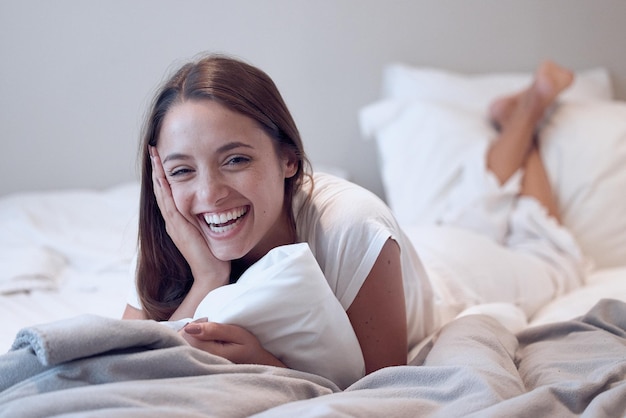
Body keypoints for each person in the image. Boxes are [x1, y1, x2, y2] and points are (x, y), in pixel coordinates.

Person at [122, 55, 585, 375]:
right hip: (416, 246)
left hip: (457, 277)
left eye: (236, 159)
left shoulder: (352, 225)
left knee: (548, 252)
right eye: (182, 170)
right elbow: (125, 361)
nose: (209, 194)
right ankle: (516, 119)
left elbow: (384, 392)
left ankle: (530, 118)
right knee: (470, 212)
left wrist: (268, 365)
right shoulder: (175, 226)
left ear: (288, 158)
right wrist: (205, 279)